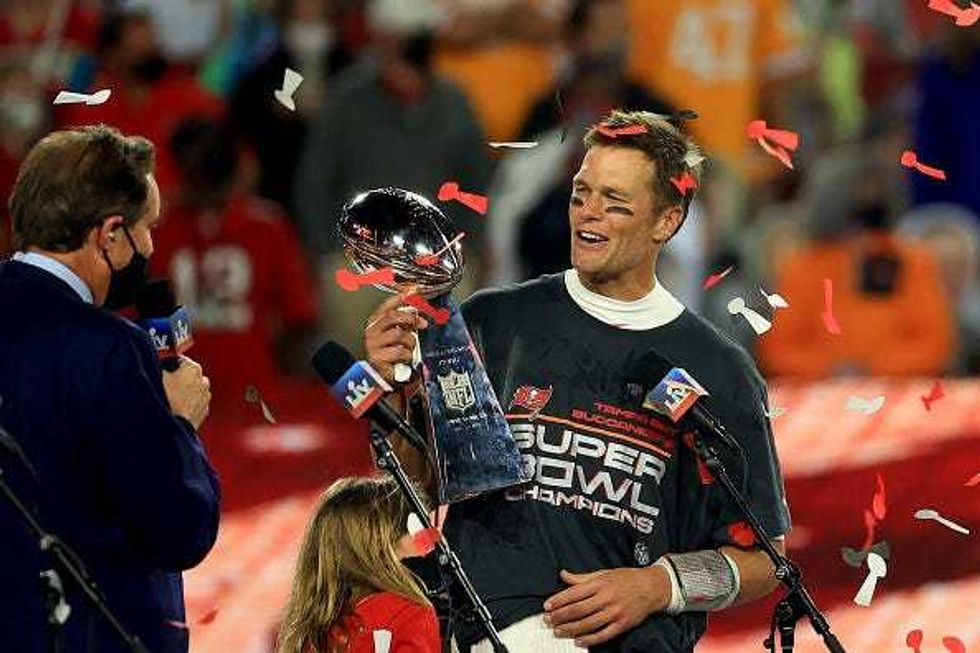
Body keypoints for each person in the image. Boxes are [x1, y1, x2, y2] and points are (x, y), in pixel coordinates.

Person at [363, 110, 791, 652]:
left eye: (615, 202)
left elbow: (763, 559)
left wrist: (659, 586)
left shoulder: (719, 370)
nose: (588, 215)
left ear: (667, 220)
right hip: (481, 635)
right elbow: (416, 487)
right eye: (580, 195)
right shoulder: (493, 324)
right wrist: (398, 383)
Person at [0, 125, 221, 653]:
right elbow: (177, 527)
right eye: (147, 227)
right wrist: (180, 424)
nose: (151, 246)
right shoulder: (109, 348)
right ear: (111, 234)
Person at [151, 117, 319, 408]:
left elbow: (299, 320)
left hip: (207, 393)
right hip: (243, 390)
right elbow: (299, 318)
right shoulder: (267, 225)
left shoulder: (158, 230)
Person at [277, 475, 440, 653]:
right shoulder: (409, 615)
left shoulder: (312, 630)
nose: (427, 540)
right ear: (384, 542)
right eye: (415, 531)